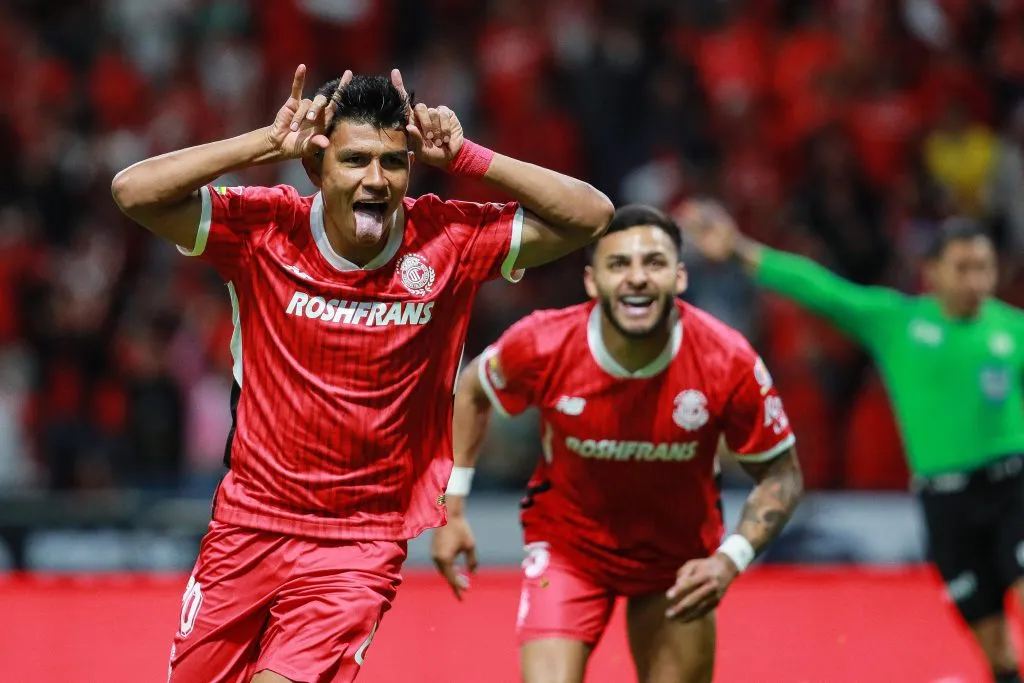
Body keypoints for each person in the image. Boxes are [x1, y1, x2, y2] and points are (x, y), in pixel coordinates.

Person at [111, 65, 613, 683]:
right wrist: (261, 144)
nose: (376, 179)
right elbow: (133, 191)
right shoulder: (264, 229)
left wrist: (470, 157)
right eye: (355, 161)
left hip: (358, 543)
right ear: (315, 168)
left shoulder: (448, 239)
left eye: (393, 162)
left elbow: (591, 216)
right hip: (247, 525)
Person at [431, 205, 804, 683]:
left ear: (680, 276)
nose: (637, 278)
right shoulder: (544, 343)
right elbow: (473, 390)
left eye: (653, 262)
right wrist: (454, 506)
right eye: (618, 264)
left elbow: (783, 473)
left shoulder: (726, 360)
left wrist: (730, 561)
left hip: (677, 561)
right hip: (569, 551)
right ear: (592, 281)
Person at [680, 201, 1024, 683]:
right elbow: (819, 290)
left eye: (984, 268)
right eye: (963, 268)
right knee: (998, 653)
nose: (976, 281)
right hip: (945, 505)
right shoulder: (896, 320)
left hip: (1013, 490)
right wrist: (737, 250)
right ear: (931, 272)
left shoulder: (1013, 330)